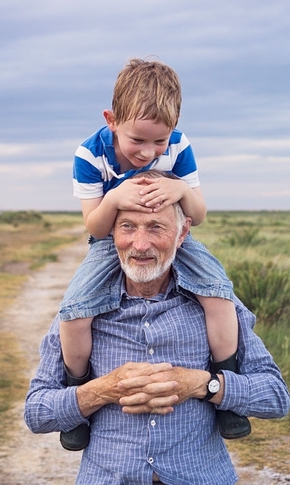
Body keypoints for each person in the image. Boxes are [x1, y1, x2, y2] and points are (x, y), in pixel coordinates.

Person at [25, 175, 290, 484]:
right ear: (111, 233)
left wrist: (203, 385)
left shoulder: (218, 305)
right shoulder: (80, 310)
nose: (140, 244)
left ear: (182, 233)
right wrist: (102, 390)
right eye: (128, 227)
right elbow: (37, 412)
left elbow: (275, 396)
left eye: (156, 227)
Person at [58, 58, 247, 451]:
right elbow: (93, 225)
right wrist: (115, 198)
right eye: (137, 140)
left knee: (219, 293)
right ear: (112, 120)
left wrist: (181, 192)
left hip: (176, 235)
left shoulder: (180, 145)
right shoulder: (90, 155)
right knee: (75, 309)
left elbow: (200, 214)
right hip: (111, 240)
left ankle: (227, 388)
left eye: (159, 141)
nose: (149, 152)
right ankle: (78, 398)